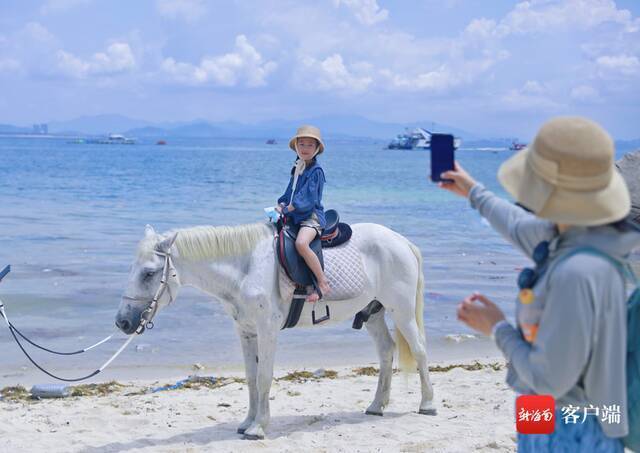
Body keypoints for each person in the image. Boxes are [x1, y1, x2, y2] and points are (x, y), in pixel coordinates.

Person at [438, 116, 638, 451]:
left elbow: (549, 380)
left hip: (576, 424)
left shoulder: (579, 271)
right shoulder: (567, 236)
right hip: (539, 411)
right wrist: (473, 191)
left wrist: (496, 327)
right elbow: (517, 225)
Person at [276, 125, 329, 302]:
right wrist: (281, 203)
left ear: (316, 149)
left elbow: (306, 199)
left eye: (309, 145)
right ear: (296, 146)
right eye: (302, 144)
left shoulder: (316, 171)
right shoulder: (298, 167)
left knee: (301, 243)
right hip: (296, 214)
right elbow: (290, 192)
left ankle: (322, 282)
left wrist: (288, 208)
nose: (305, 149)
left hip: (310, 216)